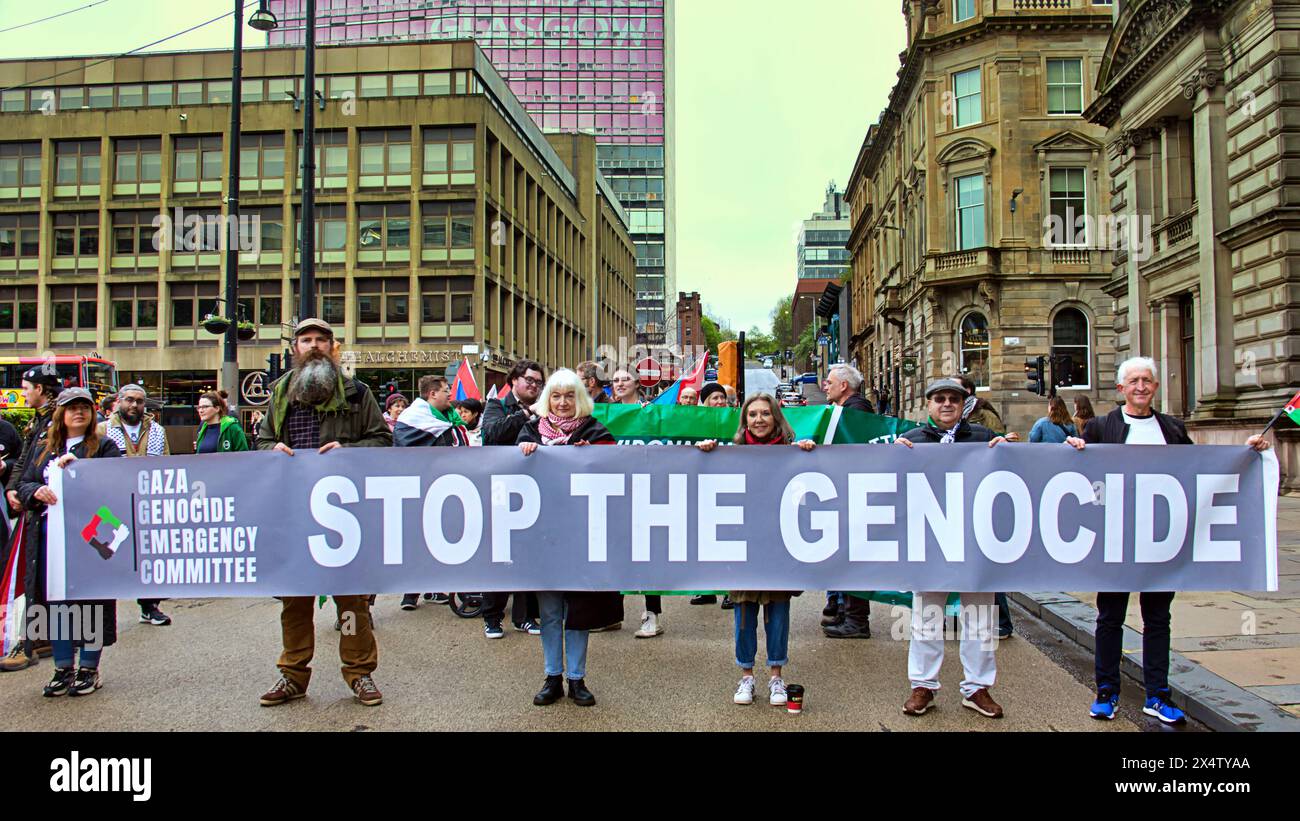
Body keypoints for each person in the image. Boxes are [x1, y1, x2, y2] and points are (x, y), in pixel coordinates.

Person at [1065, 357, 1270, 724]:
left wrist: (1247, 452)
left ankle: (1157, 694)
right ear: (1121, 389)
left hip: (1161, 542)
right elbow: (1078, 475)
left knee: (1158, 619)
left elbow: (1203, 469)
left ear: (1155, 388)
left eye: (1147, 380)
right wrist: (1074, 448)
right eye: (1133, 381)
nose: (1141, 386)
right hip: (1117, 542)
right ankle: (1106, 692)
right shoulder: (1100, 426)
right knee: (1110, 617)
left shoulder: (1172, 429)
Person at [256, 318, 391, 707]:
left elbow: (382, 439)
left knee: (351, 600)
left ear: (333, 348)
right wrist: (272, 451)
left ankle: (360, 673)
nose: (313, 345)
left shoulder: (356, 392)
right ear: (295, 349)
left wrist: (349, 453)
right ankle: (293, 676)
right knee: (295, 601)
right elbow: (263, 440)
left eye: (321, 340)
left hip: (343, 514)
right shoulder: (280, 393)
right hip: (294, 513)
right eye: (305, 340)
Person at [896, 377, 1009, 719]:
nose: (947, 404)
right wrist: (892, 457)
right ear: (929, 405)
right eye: (940, 398)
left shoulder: (984, 439)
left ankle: (977, 687)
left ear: (964, 406)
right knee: (926, 618)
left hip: (974, 542)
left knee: (980, 618)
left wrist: (1010, 451)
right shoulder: (911, 441)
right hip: (930, 541)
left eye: (954, 399)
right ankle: (923, 686)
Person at [698, 395, 814, 706]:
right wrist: (708, 453)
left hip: (779, 546)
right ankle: (746, 676)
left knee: (778, 612)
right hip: (743, 546)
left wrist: (808, 455)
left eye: (765, 413)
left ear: (776, 418)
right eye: (752, 414)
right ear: (744, 420)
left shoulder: (793, 453)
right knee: (744, 613)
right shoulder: (731, 454)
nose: (759, 419)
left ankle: (776, 676)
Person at [517, 369, 622, 707]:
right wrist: (523, 451)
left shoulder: (597, 432)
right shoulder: (531, 430)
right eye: (557, 396)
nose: (563, 403)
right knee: (549, 612)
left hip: (583, 536)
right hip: (543, 536)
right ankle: (552, 677)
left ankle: (577, 679)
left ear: (581, 399)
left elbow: (616, 470)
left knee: (578, 611)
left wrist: (592, 456)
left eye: (569, 396)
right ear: (548, 399)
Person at [16, 388, 122, 697]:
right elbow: (24, 482)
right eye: (72, 408)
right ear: (61, 414)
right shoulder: (43, 448)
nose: (79, 413)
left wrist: (81, 473)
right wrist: (36, 491)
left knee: (89, 602)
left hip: (87, 542)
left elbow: (114, 485)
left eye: (85, 408)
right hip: (49, 538)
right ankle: (63, 668)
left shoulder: (103, 446)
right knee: (55, 604)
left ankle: (89, 667)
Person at [479, 361, 546, 639]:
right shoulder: (497, 405)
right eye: (529, 380)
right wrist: (526, 415)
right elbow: (492, 434)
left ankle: (525, 616)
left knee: (528, 554)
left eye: (538, 383)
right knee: (500, 556)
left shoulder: (545, 408)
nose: (534, 386)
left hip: (531, 488)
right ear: (514, 380)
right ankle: (492, 617)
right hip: (501, 489)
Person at [1, 367, 61, 672]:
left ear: (41, 388)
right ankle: (39, 637)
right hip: (33, 504)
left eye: (26, 387)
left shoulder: (57, 420)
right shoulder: (39, 421)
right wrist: (14, 488)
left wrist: (23, 488)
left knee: (39, 575)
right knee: (34, 575)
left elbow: (39, 465)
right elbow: (24, 459)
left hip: (49, 509)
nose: (23, 393)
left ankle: (32, 641)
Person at [394, 376, 472, 612]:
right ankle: (411, 592)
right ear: (432, 394)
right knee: (419, 540)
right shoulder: (412, 420)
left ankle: (433, 587)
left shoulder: (447, 418)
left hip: (444, 487)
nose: (450, 395)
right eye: (446, 391)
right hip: (421, 488)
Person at [99, 384, 173, 627]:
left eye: (139, 401)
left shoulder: (157, 431)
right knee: (110, 552)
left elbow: (166, 464)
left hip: (147, 501)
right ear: (119, 401)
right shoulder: (102, 430)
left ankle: (149, 606)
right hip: (112, 501)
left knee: (148, 555)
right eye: (129, 400)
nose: (134, 405)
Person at [821, 363, 876, 638]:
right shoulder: (848, 409)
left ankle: (857, 620)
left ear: (844, 385)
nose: (825, 386)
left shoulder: (857, 411)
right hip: (847, 490)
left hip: (853, 492)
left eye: (829, 382)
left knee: (853, 556)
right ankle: (847, 612)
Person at [690, 382, 733, 607]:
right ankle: (706, 588)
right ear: (705, 401)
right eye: (714, 398)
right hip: (702, 487)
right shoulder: (694, 422)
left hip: (727, 487)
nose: (719, 402)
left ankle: (729, 590)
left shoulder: (733, 420)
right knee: (703, 539)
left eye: (721, 397)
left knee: (726, 539)